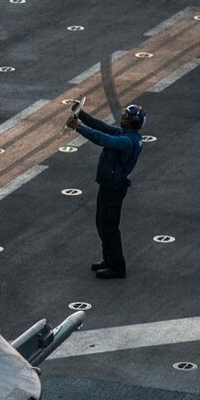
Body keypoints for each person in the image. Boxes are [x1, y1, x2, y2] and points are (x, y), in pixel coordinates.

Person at [66, 104, 146, 279]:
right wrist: (82, 115)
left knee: (109, 227)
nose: (122, 117)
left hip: (114, 188)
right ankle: (109, 259)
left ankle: (117, 266)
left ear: (133, 122)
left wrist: (78, 127)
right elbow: (101, 127)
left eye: (126, 116)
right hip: (109, 185)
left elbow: (102, 138)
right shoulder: (127, 135)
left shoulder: (126, 141)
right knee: (102, 223)